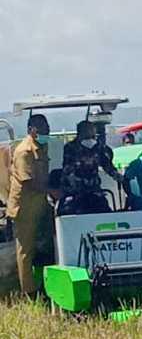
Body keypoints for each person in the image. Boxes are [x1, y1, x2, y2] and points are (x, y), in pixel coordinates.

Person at [7, 114, 56, 295]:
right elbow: (28, 181)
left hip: (40, 205)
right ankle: (28, 292)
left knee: (46, 245)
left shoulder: (41, 147)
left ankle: (46, 283)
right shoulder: (24, 151)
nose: (45, 132)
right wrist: (52, 191)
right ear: (30, 130)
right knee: (26, 251)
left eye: (47, 129)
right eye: (41, 129)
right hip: (24, 208)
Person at [59, 120, 122, 215]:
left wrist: (116, 175)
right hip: (75, 193)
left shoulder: (98, 147)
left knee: (105, 211)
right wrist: (75, 184)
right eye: (88, 132)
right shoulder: (70, 147)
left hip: (94, 190)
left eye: (93, 132)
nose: (91, 136)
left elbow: (106, 164)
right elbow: (68, 169)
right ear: (80, 133)